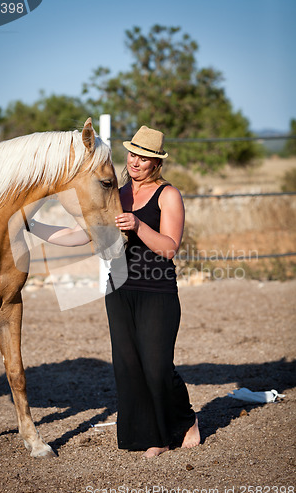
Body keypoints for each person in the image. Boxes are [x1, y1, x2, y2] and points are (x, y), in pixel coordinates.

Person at [105, 125, 200, 458]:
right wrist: (36, 227)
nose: (135, 162)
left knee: (157, 366)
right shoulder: (115, 194)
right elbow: (82, 233)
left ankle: (187, 419)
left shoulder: (168, 195)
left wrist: (138, 224)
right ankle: (155, 437)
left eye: (143, 158)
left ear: (156, 163)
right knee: (129, 367)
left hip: (157, 290)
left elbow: (170, 248)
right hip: (118, 290)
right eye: (132, 154)